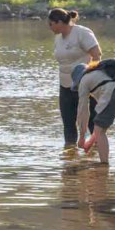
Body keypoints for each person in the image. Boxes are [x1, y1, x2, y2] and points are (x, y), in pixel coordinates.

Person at [48, 8, 101, 147]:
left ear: (59, 22)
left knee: (91, 121)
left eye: (51, 24)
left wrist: (91, 78)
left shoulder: (82, 33)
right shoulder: (58, 38)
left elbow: (97, 55)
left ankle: (97, 152)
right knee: (68, 122)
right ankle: (70, 157)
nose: (49, 27)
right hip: (65, 86)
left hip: (85, 84)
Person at [73, 61, 115, 164]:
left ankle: (104, 167)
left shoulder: (84, 80)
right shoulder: (101, 73)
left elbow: (83, 112)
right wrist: (89, 142)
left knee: (100, 130)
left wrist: (82, 137)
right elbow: (99, 124)